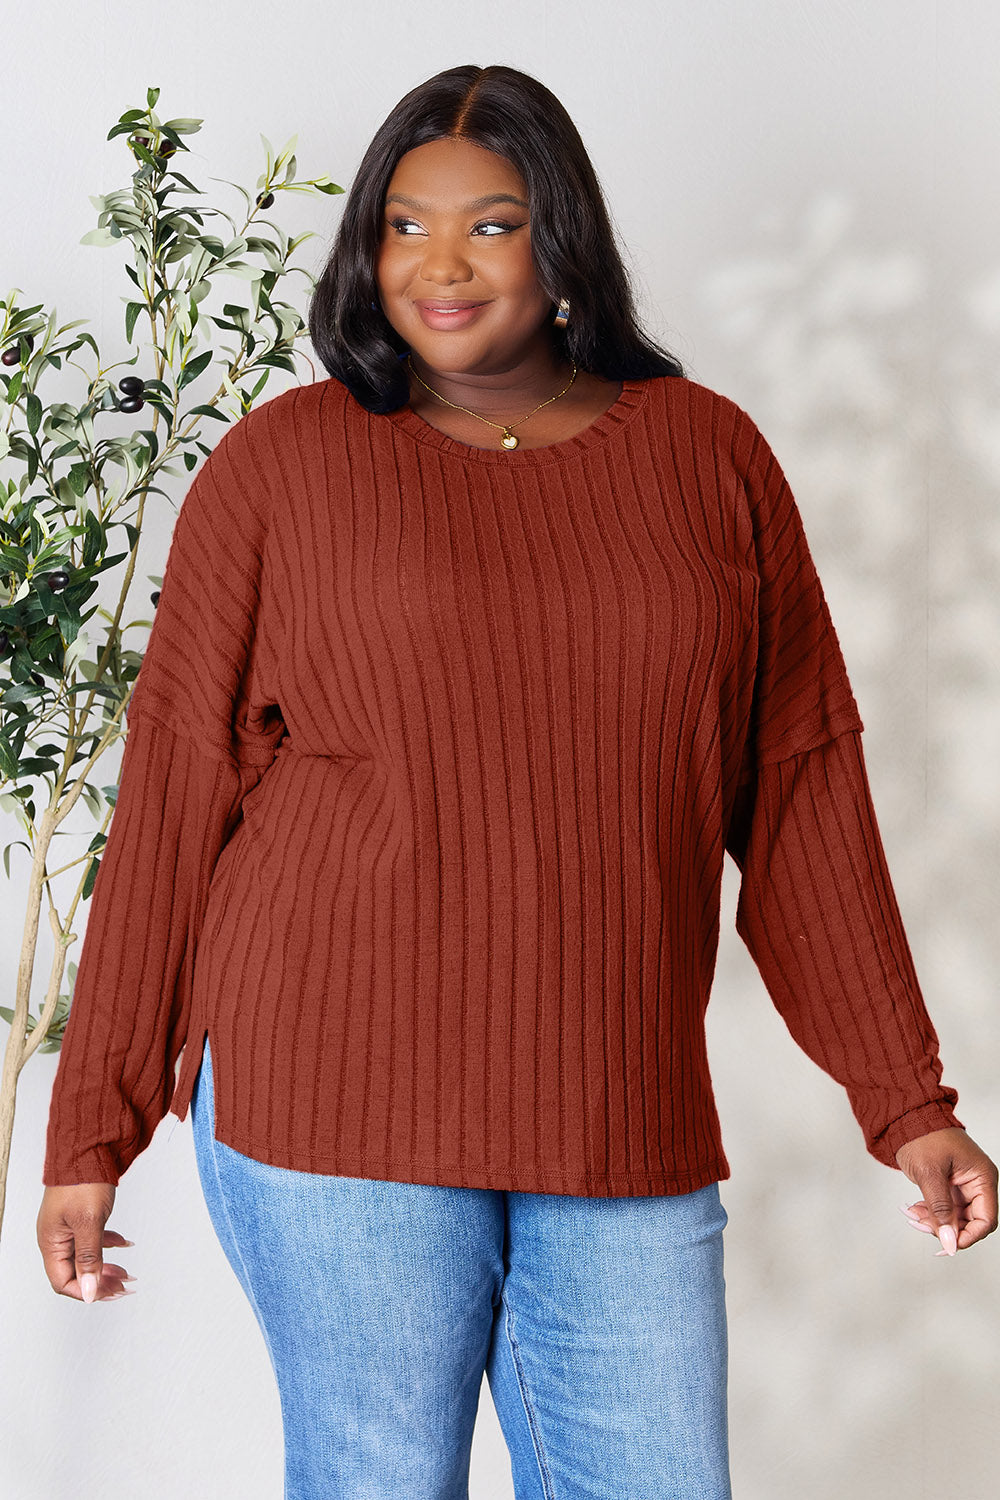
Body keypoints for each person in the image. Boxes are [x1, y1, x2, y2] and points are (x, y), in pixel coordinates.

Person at [37, 62, 997, 1500]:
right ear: (365, 247)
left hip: (616, 1096)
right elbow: (176, 791)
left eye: (491, 225)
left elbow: (798, 791)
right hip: (332, 1082)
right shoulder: (285, 468)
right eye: (404, 225)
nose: (440, 264)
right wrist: (90, 1131)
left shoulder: (706, 458)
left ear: (563, 247)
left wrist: (906, 1101)